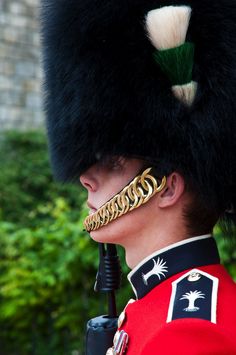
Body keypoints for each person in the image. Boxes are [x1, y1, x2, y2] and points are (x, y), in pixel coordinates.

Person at [41, 0, 236, 353]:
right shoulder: (150, 309)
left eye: (112, 161)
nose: (85, 178)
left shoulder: (188, 332)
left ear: (167, 187)